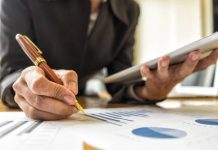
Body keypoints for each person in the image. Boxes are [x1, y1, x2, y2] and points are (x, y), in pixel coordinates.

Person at [0, 0, 217, 120]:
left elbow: (119, 79)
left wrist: (152, 91)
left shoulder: (130, 10)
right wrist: (24, 85)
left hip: (79, 107)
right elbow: (11, 70)